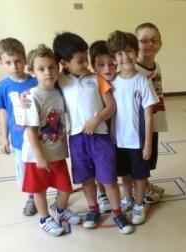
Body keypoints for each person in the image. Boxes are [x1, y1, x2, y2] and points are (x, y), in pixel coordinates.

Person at [53, 32, 133, 234]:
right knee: (86, 178)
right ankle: (93, 209)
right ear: (64, 62)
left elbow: (111, 106)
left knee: (108, 179)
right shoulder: (60, 81)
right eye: (80, 61)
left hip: (100, 138)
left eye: (85, 58)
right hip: (77, 140)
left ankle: (117, 213)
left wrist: (97, 119)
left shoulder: (96, 79)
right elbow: (39, 85)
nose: (85, 63)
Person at [21, 44, 81, 237]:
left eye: (51, 67)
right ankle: (45, 218)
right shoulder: (32, 97)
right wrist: (39, 156)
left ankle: (61, 210)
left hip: (57, 153)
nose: (48, 72)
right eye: (41, 68)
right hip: (36, 156)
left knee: (65, 188)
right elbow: (30, 131)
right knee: (39, 190)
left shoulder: (58, 91)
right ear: (32, 72)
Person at [107, 30, 158, 225]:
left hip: (137, 141)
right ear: (114, 58)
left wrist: (147, 144)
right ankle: (127, 198)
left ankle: (138, 204)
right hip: (117, 140)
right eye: (119, 53)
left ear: (136, 53)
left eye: (128, 51)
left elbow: (148, 113)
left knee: (140, 175)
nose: (125, 56)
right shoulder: (111, 82)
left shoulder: (143, 82)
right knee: (124, 174)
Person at [0, 38, 38, 216]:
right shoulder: (2, 86)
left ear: (25, 60)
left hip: (39, 137)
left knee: (43, 165)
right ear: (1, 63)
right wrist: (4, 137)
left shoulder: (35, 82)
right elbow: (3, 112)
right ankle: (31, 198)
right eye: (8, 62)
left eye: (18, 61)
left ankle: (51, 192)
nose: (14, 66)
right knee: (25, 169)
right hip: (19, 140)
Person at [135, 23, 168, 204]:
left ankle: (145, 184)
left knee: (149, 157)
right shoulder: (132, 70)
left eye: (154, 40)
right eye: (144, 40)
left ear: (160, 45)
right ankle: (139, 187)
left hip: (154, 119)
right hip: (139, 123)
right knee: (140, 157)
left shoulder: (157, 65)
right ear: (135, 43)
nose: (149, 44)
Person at [88, 40, 118, 214]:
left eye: (111, 63)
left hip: (117, 131)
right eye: (101, 65)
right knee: (99, 165)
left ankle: (127, 192)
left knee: (113, 164)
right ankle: (102, 194)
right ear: (93, 66)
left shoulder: (121, 79)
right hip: (99, 132)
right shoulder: (94, 82)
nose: (107, 68)